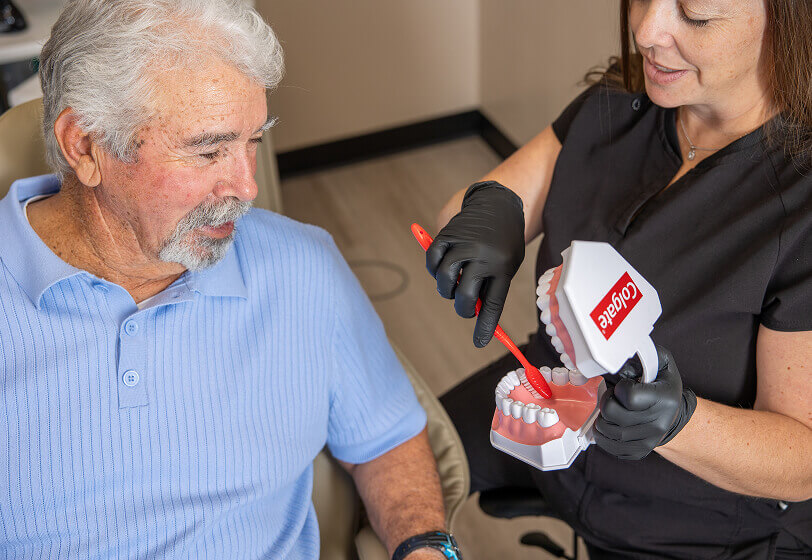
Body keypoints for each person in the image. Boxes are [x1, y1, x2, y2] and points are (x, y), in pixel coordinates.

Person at [0, 1, 459, 559]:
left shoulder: (302, 264)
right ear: (86, 146)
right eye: (208, 150)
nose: (246, 188)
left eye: (252, 143)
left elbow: (387, 440)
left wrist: (426, 547)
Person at [430, 0, 811, 558]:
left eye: (695, 16)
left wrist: (681, 422)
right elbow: (459, 215)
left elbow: (802, 461)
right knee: (377, 462)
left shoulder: (799, 203)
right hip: (554, 405)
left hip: (691, 526)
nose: (646, 31)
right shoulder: (621, 100)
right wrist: (491, 213)